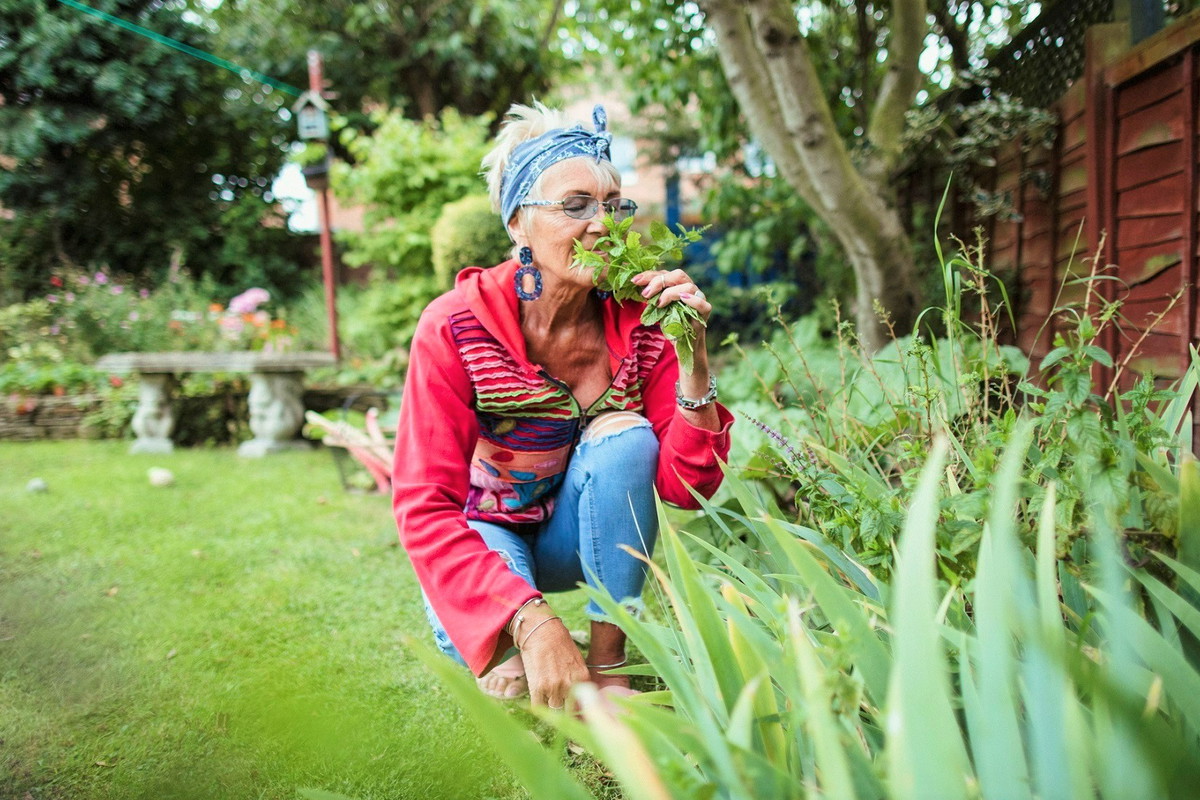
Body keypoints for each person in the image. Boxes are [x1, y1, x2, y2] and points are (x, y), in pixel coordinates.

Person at [392, 102, 733, 710]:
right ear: (519, 224)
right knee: (518, 668)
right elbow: (423, 505)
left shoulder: (643, 324)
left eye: (614, 204)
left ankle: (610, 663)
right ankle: (523, 638)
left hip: (579, 536)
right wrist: (530, 621)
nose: (604, 224)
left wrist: (693, 355)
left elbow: (684, 488)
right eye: (575, 206)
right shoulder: (455, 327)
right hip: (489, 530)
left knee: (626, 434)